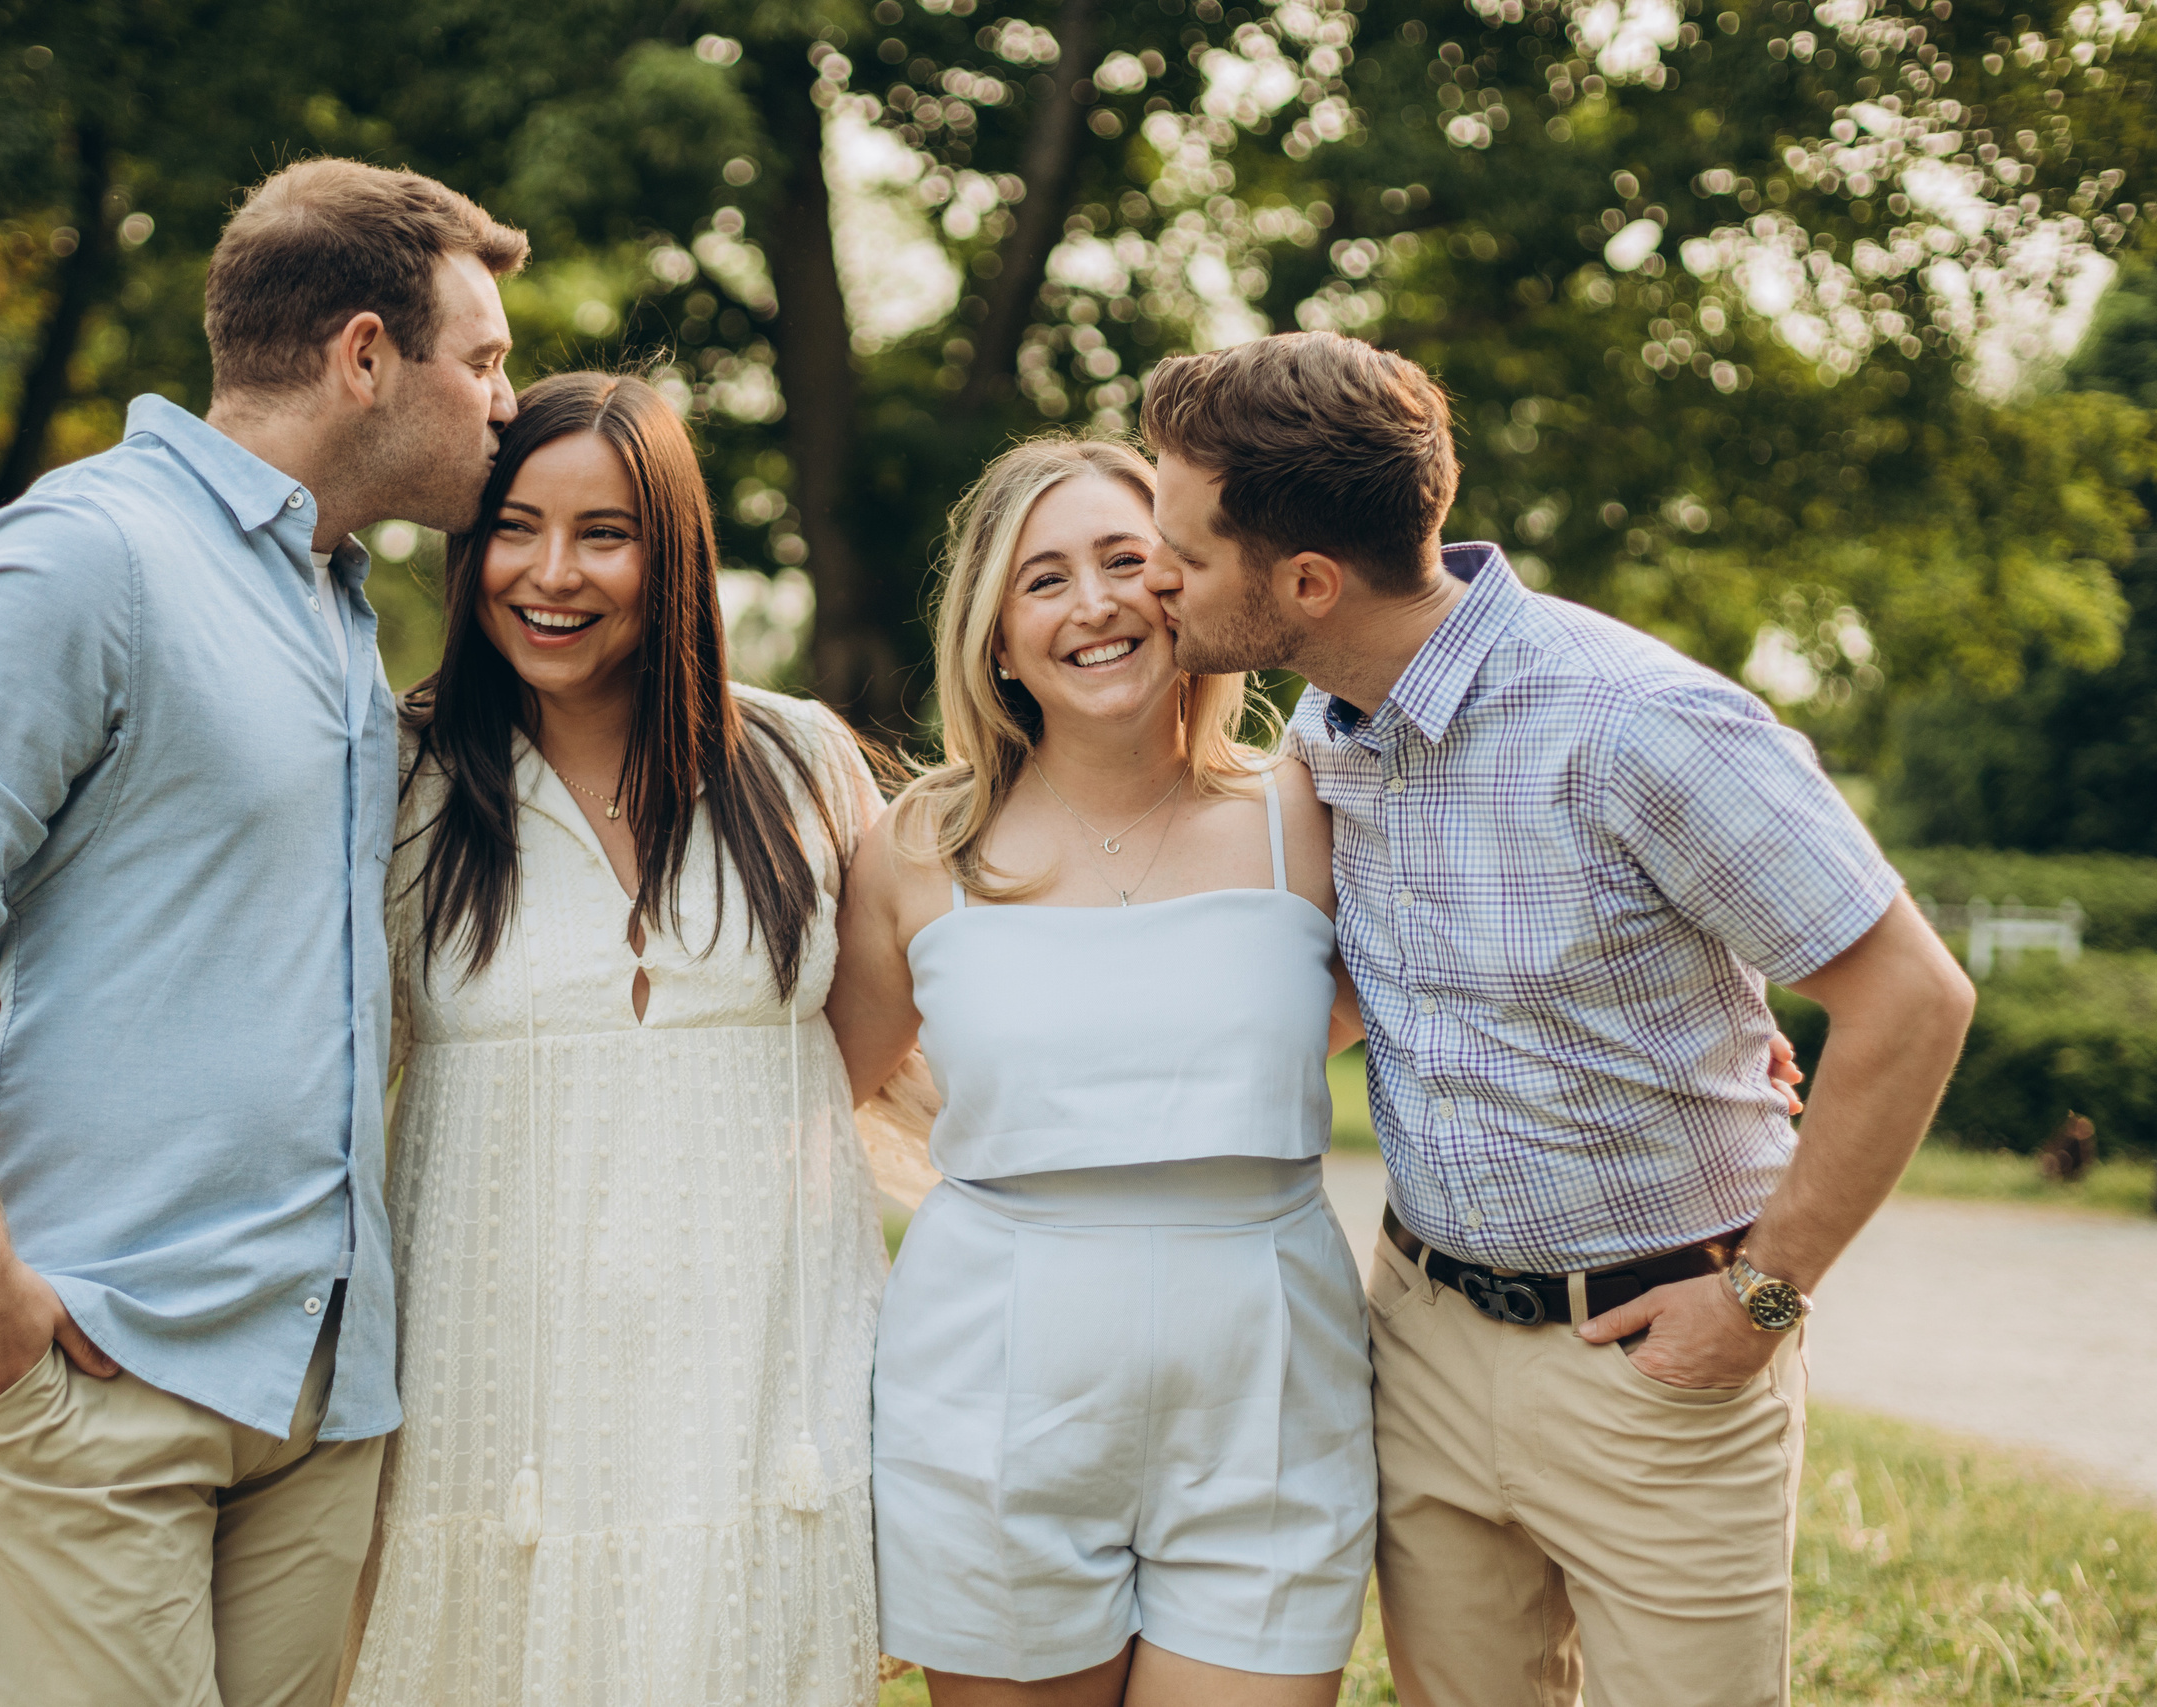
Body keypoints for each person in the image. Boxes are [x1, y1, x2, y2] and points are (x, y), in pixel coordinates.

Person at [1138, 330, 1976, 1707]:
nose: (1155, 571)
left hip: (1654, 1364)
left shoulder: (1642, 724)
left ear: (1304, 580)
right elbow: (1372, 995)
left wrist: (1762, 1293)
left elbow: (1913, 996)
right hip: (1421, 1332)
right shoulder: (1328, 724)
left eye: (1180, 547)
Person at [0, 159, 526, 1706]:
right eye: (485, 360)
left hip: (314, 1391)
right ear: (363, 354)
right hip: (91, 1362)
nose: (504, 402)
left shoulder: (336, 602)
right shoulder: (92, 553)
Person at [341, 372, 890, 1705]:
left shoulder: (801, 759)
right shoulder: (397, 775)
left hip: (755, 1364)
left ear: (674, 551)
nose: (553, 572)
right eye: (517, 527)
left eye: (605, 532)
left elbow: (862, 1051)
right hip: (497, 1374)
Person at [826, 437, 1377, 1707]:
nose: (1097, 605)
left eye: (1130, 561)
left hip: (1269, 1389)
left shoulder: (1311, 810)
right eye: (1044, 580)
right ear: (996, 639)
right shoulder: (922, 847)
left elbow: (1447, 1003)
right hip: (990, 1391)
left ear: (1185, 586)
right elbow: (819, 1096)